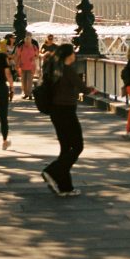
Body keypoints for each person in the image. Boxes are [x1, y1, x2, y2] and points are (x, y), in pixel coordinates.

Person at [41, 43, 88, 196]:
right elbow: (83, 88)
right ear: (69, 56)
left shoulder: (55, 68)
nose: (75, 55)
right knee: (77, 146)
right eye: (73, 53)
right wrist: (92, 89)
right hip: (66, 111)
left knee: (65, 148)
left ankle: (65, 187)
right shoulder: (68, 70)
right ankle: (51, 171)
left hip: (56, 111)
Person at [16, 32, 39, 100]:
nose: (27, 42)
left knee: (29, 80)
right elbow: (18, 55)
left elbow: (37, 55)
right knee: (23, 81)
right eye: (26, 40)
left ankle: (29, 94)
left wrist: (34, 58)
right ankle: (26, 93)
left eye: (28, 40)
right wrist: (17, 64)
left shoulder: (34, 46)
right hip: (22, 66)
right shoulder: (21, 45)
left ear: (31, 38)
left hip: (31, 66)